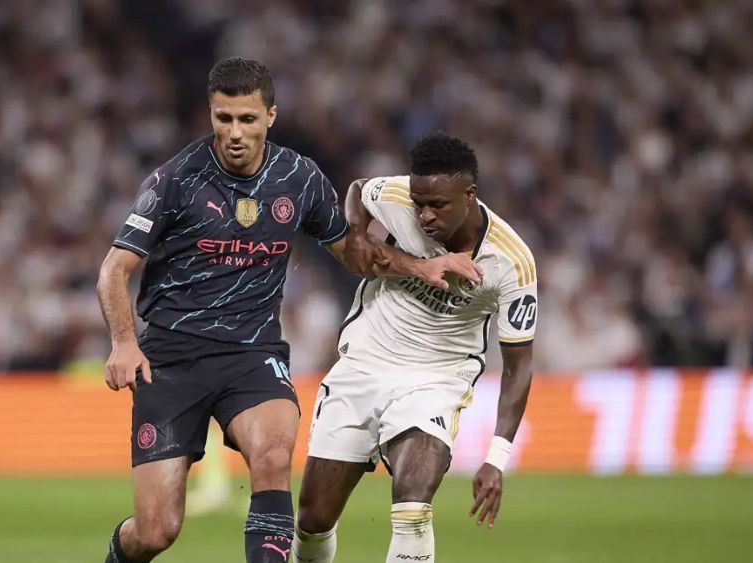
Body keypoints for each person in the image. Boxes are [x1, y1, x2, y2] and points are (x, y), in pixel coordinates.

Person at [96, 59, 480, 563]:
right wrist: (125, 342)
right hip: (171, 358)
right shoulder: (175, 180)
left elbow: (354, 253)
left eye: (247, 119)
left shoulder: (298, 177)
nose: (235, 132)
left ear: (270, 116)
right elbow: (113, 270)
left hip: (251, 355)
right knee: (156, 531)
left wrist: (419, 266)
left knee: (274, 457)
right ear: (210, 116)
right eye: (224, 118)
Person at [292, 132, 537, 563]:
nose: (423, 215)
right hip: (364, 363)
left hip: (436, 379)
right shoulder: (397, 196)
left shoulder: (511, 262)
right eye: (418, 202)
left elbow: (518, 367)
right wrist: (356, 232)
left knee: (413, 500)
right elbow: (358, 190)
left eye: (437, 205)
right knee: (312, 520)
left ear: (470, 195)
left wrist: (496, 459)